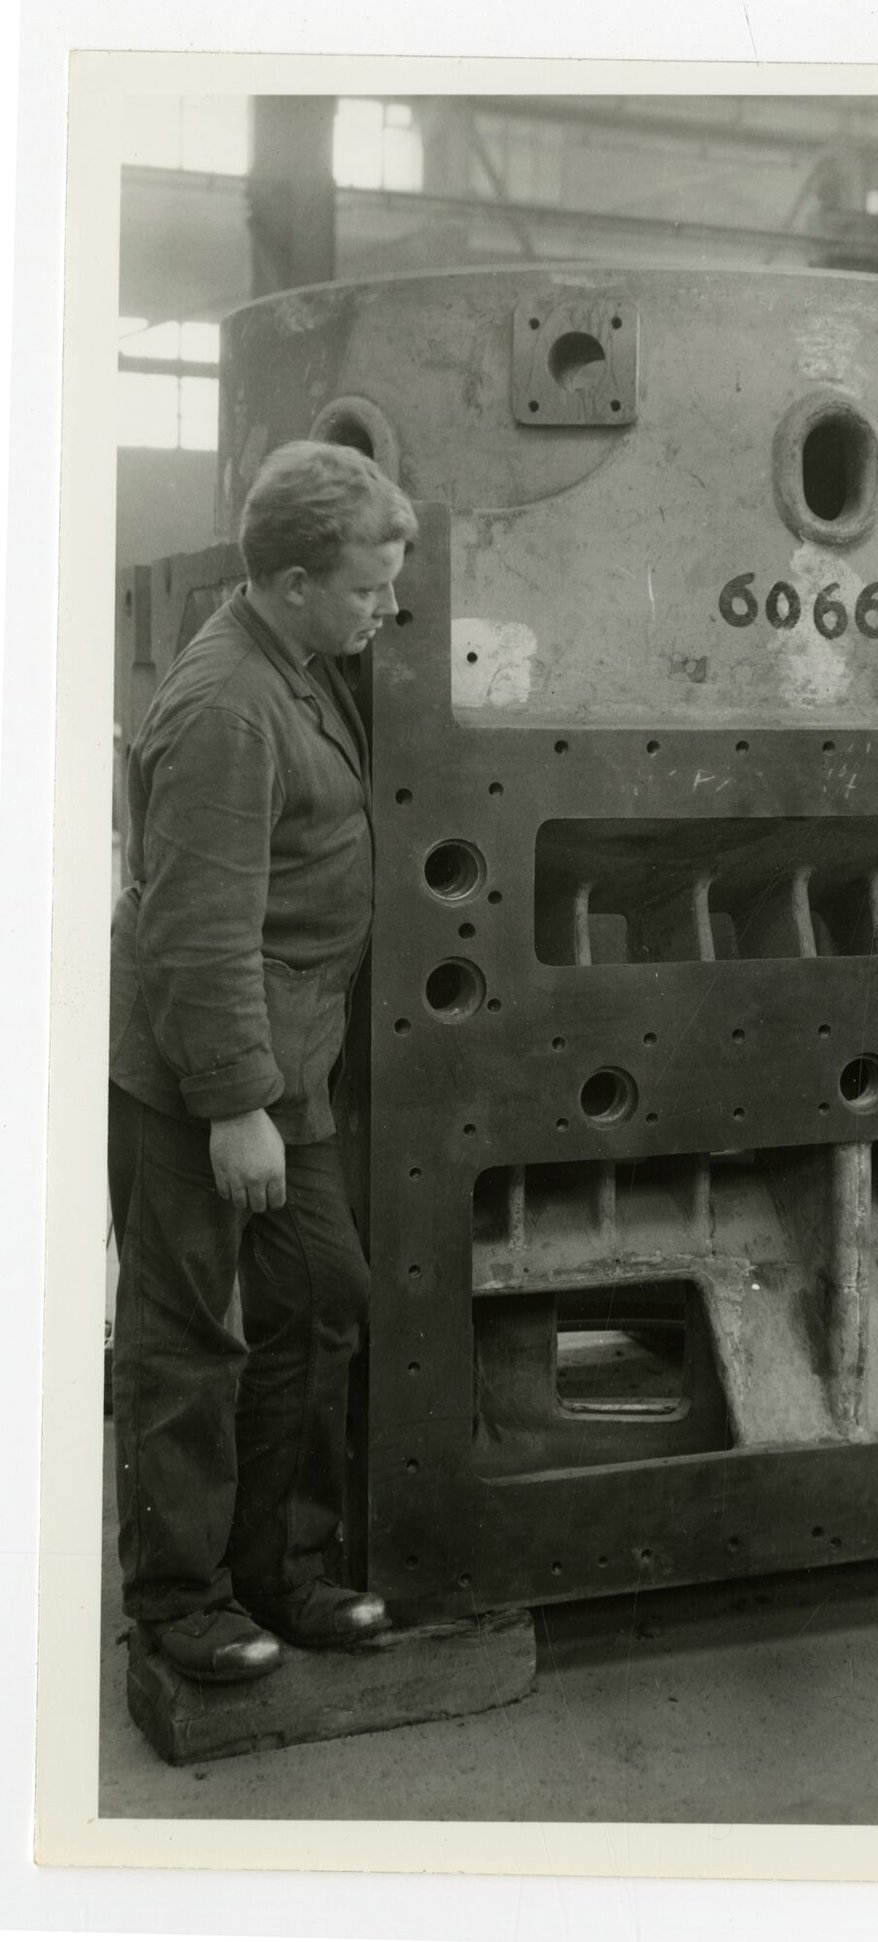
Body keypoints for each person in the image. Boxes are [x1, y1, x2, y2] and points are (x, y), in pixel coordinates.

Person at [108, 440, 418, 1683]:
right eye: (365, 587)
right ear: (291, 580)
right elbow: (194, 930)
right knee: (189, 1336)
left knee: (318, 1300)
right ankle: (180, 1604)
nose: (385, 608)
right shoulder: (228, 707)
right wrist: (237, 1106)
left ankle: (280, 1570)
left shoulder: (300, 658)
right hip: (211, 1077)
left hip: (291, 1064)